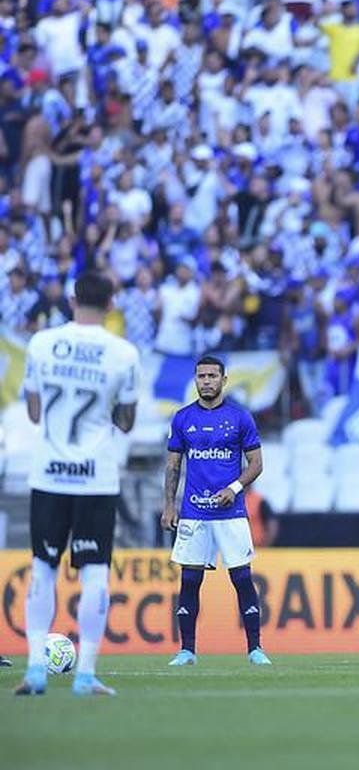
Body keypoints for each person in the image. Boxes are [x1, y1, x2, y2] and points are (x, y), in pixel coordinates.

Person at [15, 272, 140, 697]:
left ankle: (35, 670)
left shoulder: (41, 344)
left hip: (49, 472)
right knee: (95, 574)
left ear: (72, 300)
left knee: (42, 568)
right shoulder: (123, 353)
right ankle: (85, 675)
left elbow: (33, 411)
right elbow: (126, 422)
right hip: (96, 478)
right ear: (111, 305)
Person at [162, 356, 270, 667]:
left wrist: (234, 489)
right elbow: (173, 466)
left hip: (231, 514)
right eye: (201, 376)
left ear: (224, 380)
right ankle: (187, 650)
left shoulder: (240, 418)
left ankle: (255, 649)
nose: (206, 381)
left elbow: (257, 464)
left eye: (212, 376)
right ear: (195, 380)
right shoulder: (182, 419)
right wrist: (169, 505)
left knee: (242, 579)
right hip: (194, 513)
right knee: (190, 581)